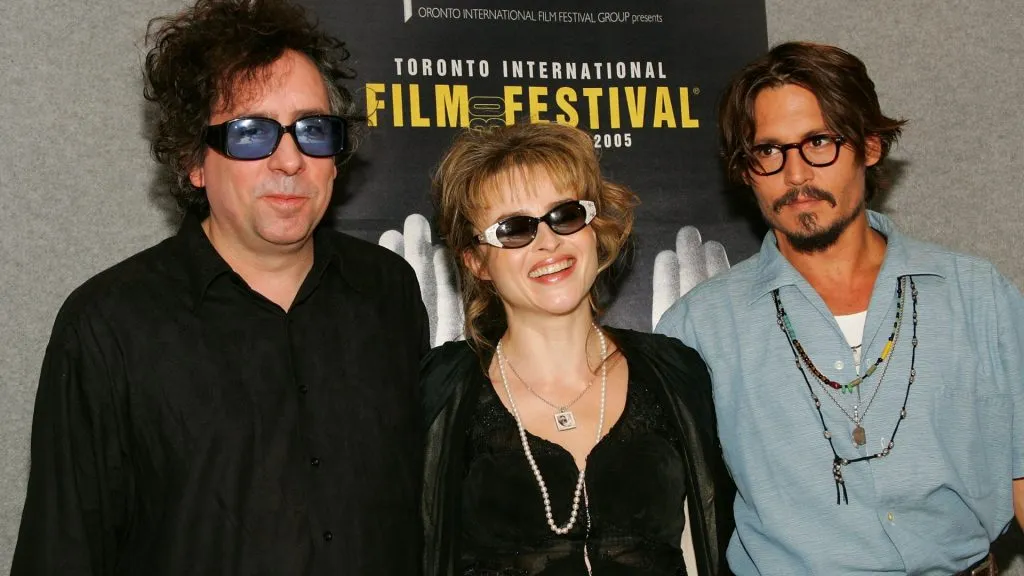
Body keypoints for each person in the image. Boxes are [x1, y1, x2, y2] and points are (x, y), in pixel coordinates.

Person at [12, 0, 428, 574]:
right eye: (252, 133)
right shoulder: (110, 326)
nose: (289, 159)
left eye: (312, 130)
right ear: (194, 161)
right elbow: (62, 551)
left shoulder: (389, 292)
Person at [657, 41, 1024, 575]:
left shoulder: (976, 295)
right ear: (746, 169)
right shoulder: (699, 328)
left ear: (870, 147)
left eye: (820, 143)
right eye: (769, 151)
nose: (796, 174)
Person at [421, 121, 734, 576]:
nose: (548, 242)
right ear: (476, 261)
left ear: (593, 227)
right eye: (514, 228)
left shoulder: (677, 372)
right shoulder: (441, 388)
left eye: (564, 215)